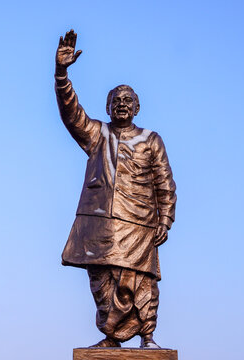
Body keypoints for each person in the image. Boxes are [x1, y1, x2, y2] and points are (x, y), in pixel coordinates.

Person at [55, 29, 177, 349]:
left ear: (136, 107)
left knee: (140, 281)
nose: (121, 105)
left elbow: (165, 184)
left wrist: (165, 220)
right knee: (100, 281)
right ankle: (110, 336)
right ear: (108, 108)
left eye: (127, 101)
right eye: (116, 101)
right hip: (99, 225)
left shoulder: (151, 140)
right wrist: (62, 74)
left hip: (139, 226)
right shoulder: (97, 134)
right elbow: (71, 113)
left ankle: (147, 336)